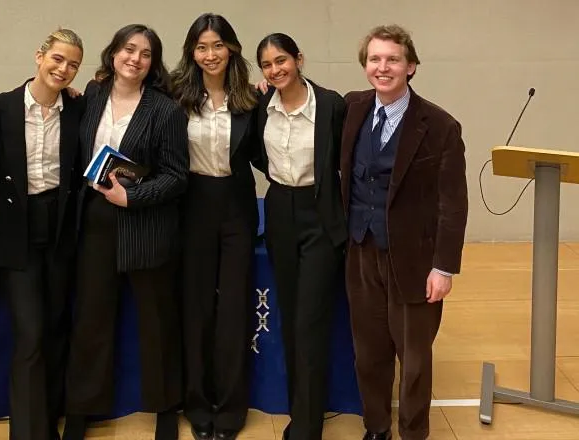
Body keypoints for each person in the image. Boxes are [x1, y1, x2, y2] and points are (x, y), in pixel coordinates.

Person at [340, 25, 468, 440]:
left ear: (411, 66)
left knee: (413, 359)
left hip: (414, 261)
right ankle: (376, 427)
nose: (383, 67)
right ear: (365, 67)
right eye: (375, 59)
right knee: (368, 353)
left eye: (393, 59)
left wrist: (444, 268)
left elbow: (453, 204)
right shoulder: (352, 108)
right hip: (360, 251)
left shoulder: (441, 126)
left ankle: (413, 432)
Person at [62, 24, 189, 440]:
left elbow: (177, 177)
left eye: (146, 53)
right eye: (128, 49)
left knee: (156, 323)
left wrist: (132, 199)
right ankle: (83, 408)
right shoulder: (92, 95)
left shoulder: (165, 110)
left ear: (153, 64)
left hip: (145, 224)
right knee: (91, 320)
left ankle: (166, 407)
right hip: (96, 225)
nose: (135, 58)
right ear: (113, 53)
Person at [0, 28, 84, 440]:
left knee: (55, 327)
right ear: (39, 56)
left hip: (61, 228)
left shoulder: (78, 110)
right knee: (29, 334)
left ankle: (50, 417)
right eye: (58, 59)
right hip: (17, 230)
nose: (63, 69)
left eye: (73, 64)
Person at [252, 33, 347, 440]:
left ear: (299, 59)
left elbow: (344, 156)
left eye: (282, 60)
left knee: (310, 320)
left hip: (319, 215)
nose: (275, 70)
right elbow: (256, 153)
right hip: (279, 213)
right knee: (290, 318)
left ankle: (307, 426)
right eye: (268, 65)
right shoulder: (261, 105)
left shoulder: (330, 105)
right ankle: (300, 407)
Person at [170, 13, 258, 440]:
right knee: (196, 309)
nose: (210, 55)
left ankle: (231, 405)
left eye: (218, 46)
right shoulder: (174, 94)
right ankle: (197, 402)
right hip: (192, 206)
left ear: (232, 49)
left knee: (234, 309)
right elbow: (119, 91)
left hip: (237, 207)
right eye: (202, 47)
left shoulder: (251, 99)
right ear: (192, 52)